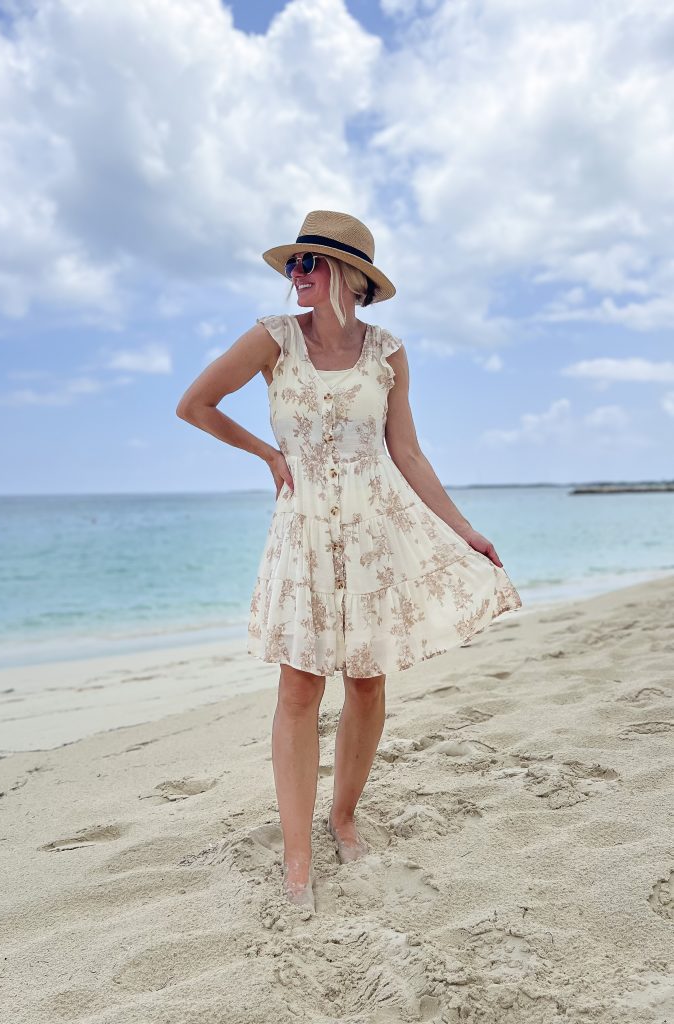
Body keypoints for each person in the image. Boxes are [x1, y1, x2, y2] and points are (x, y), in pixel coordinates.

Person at [176, 210, 522, 912]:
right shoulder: (272, 340)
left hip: (373, 536)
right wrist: (270, 454)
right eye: (290, 265)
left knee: (366, 684)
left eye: (307, 264)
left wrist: (463, 529)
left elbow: (409, 453)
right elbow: (196, 405)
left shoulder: (386, 351)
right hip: (302, 537)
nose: (293, 276)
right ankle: (297, 856)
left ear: (349, 275)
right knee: (299, 691)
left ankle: (343, 817)